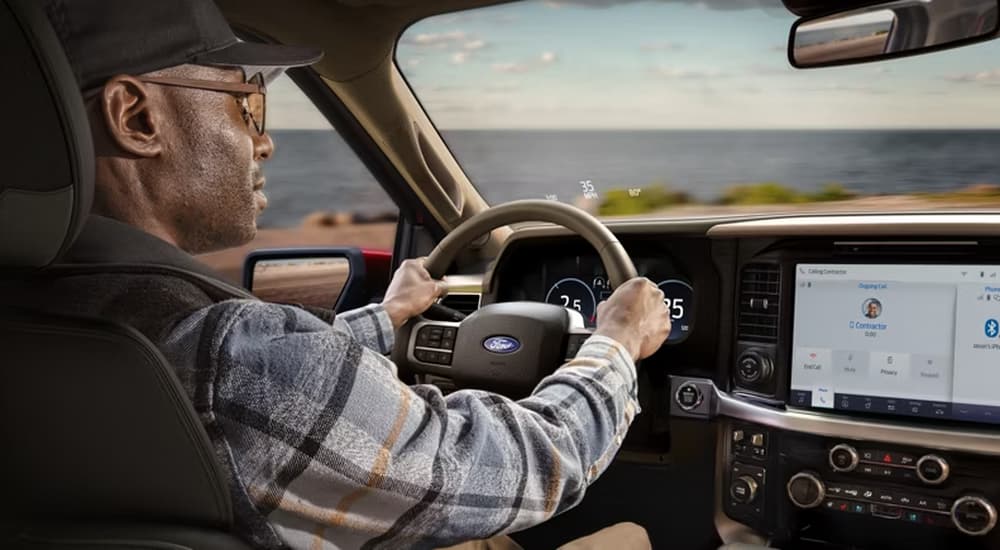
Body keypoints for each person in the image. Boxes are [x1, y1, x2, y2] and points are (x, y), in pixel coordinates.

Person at [28, 0, 671, 548]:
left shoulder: (51, 316)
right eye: (247, 102)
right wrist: (615, 343)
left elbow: (286, 387)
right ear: (136, 118)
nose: (265, 141)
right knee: (637, 535)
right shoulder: (233, 361)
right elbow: (531, 463)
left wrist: (388, 317)